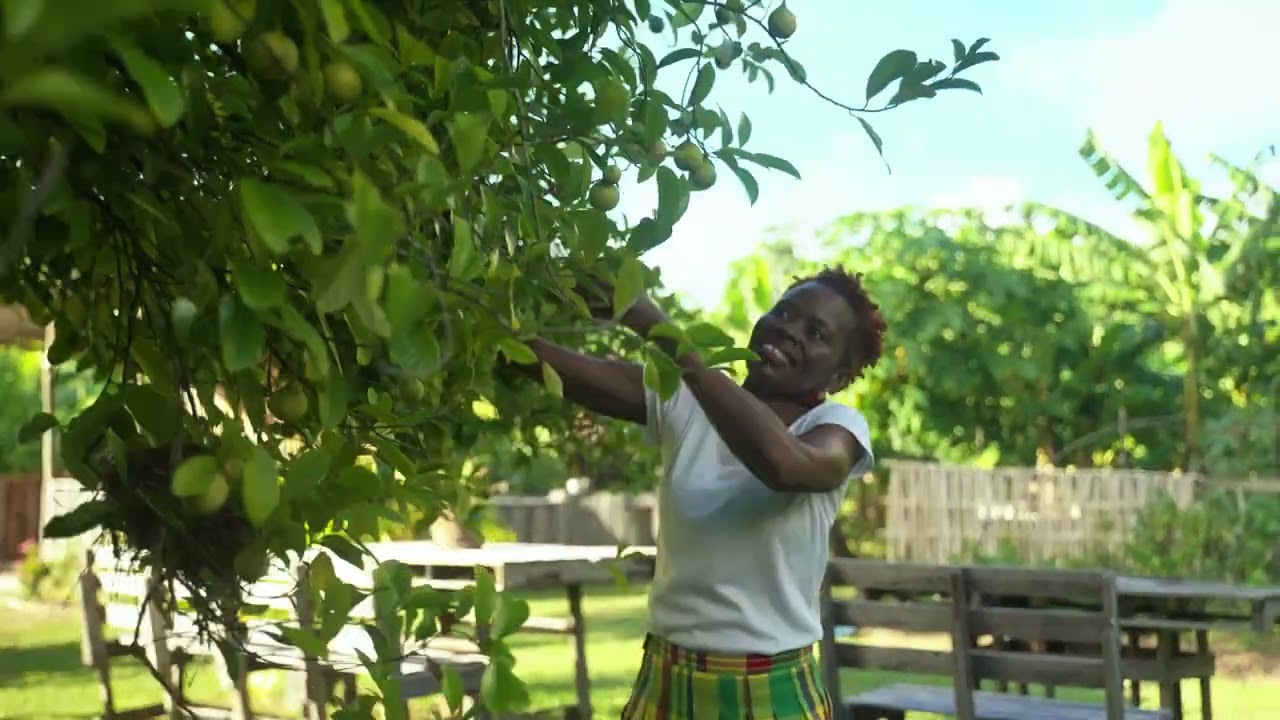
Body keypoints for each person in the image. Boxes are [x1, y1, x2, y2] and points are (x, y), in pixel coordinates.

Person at [521, 266, 887, 720]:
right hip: (665, 678)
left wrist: (660, 329)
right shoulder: (686, 400)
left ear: (839, 375)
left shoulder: (837, 429)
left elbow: (785, 466)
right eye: (785, 312)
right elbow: (541, 361)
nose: (790, 331)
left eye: (816, 333)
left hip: (771, 690)